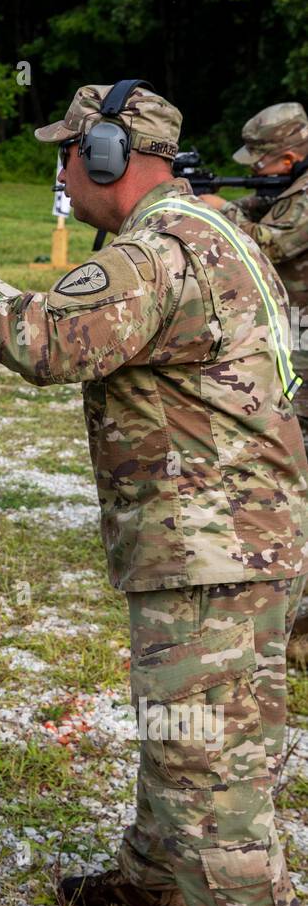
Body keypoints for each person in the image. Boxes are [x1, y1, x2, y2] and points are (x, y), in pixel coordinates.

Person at [0, 81, 308, 906]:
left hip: (210, 549)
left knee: (207, 765)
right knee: (190, 728)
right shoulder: (208, 227)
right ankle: (153, 878)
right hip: (243, 541)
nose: (58, 172)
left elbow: (45, 339)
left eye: (67, 154)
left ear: (105, 155)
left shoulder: (157, 252)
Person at [198, 103, 308, 664]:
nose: (257, 172)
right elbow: (253, 207)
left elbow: (267, 243)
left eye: (262, 162)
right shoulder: (283, 191)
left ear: (286, 158)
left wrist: (220, 214)